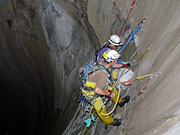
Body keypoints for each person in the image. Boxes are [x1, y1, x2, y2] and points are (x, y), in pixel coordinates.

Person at [81, 49, 130, 126]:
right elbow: (97, 90)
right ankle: (110, 121)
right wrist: (107, 93)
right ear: (112, 61)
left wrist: (123, 65)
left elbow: (113, 65)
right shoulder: (103, 74)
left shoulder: (101, 61)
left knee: (113, 90)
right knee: (101, 110)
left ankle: (120, 101)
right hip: (91, 92)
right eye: (115, 60)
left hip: (96, 82)